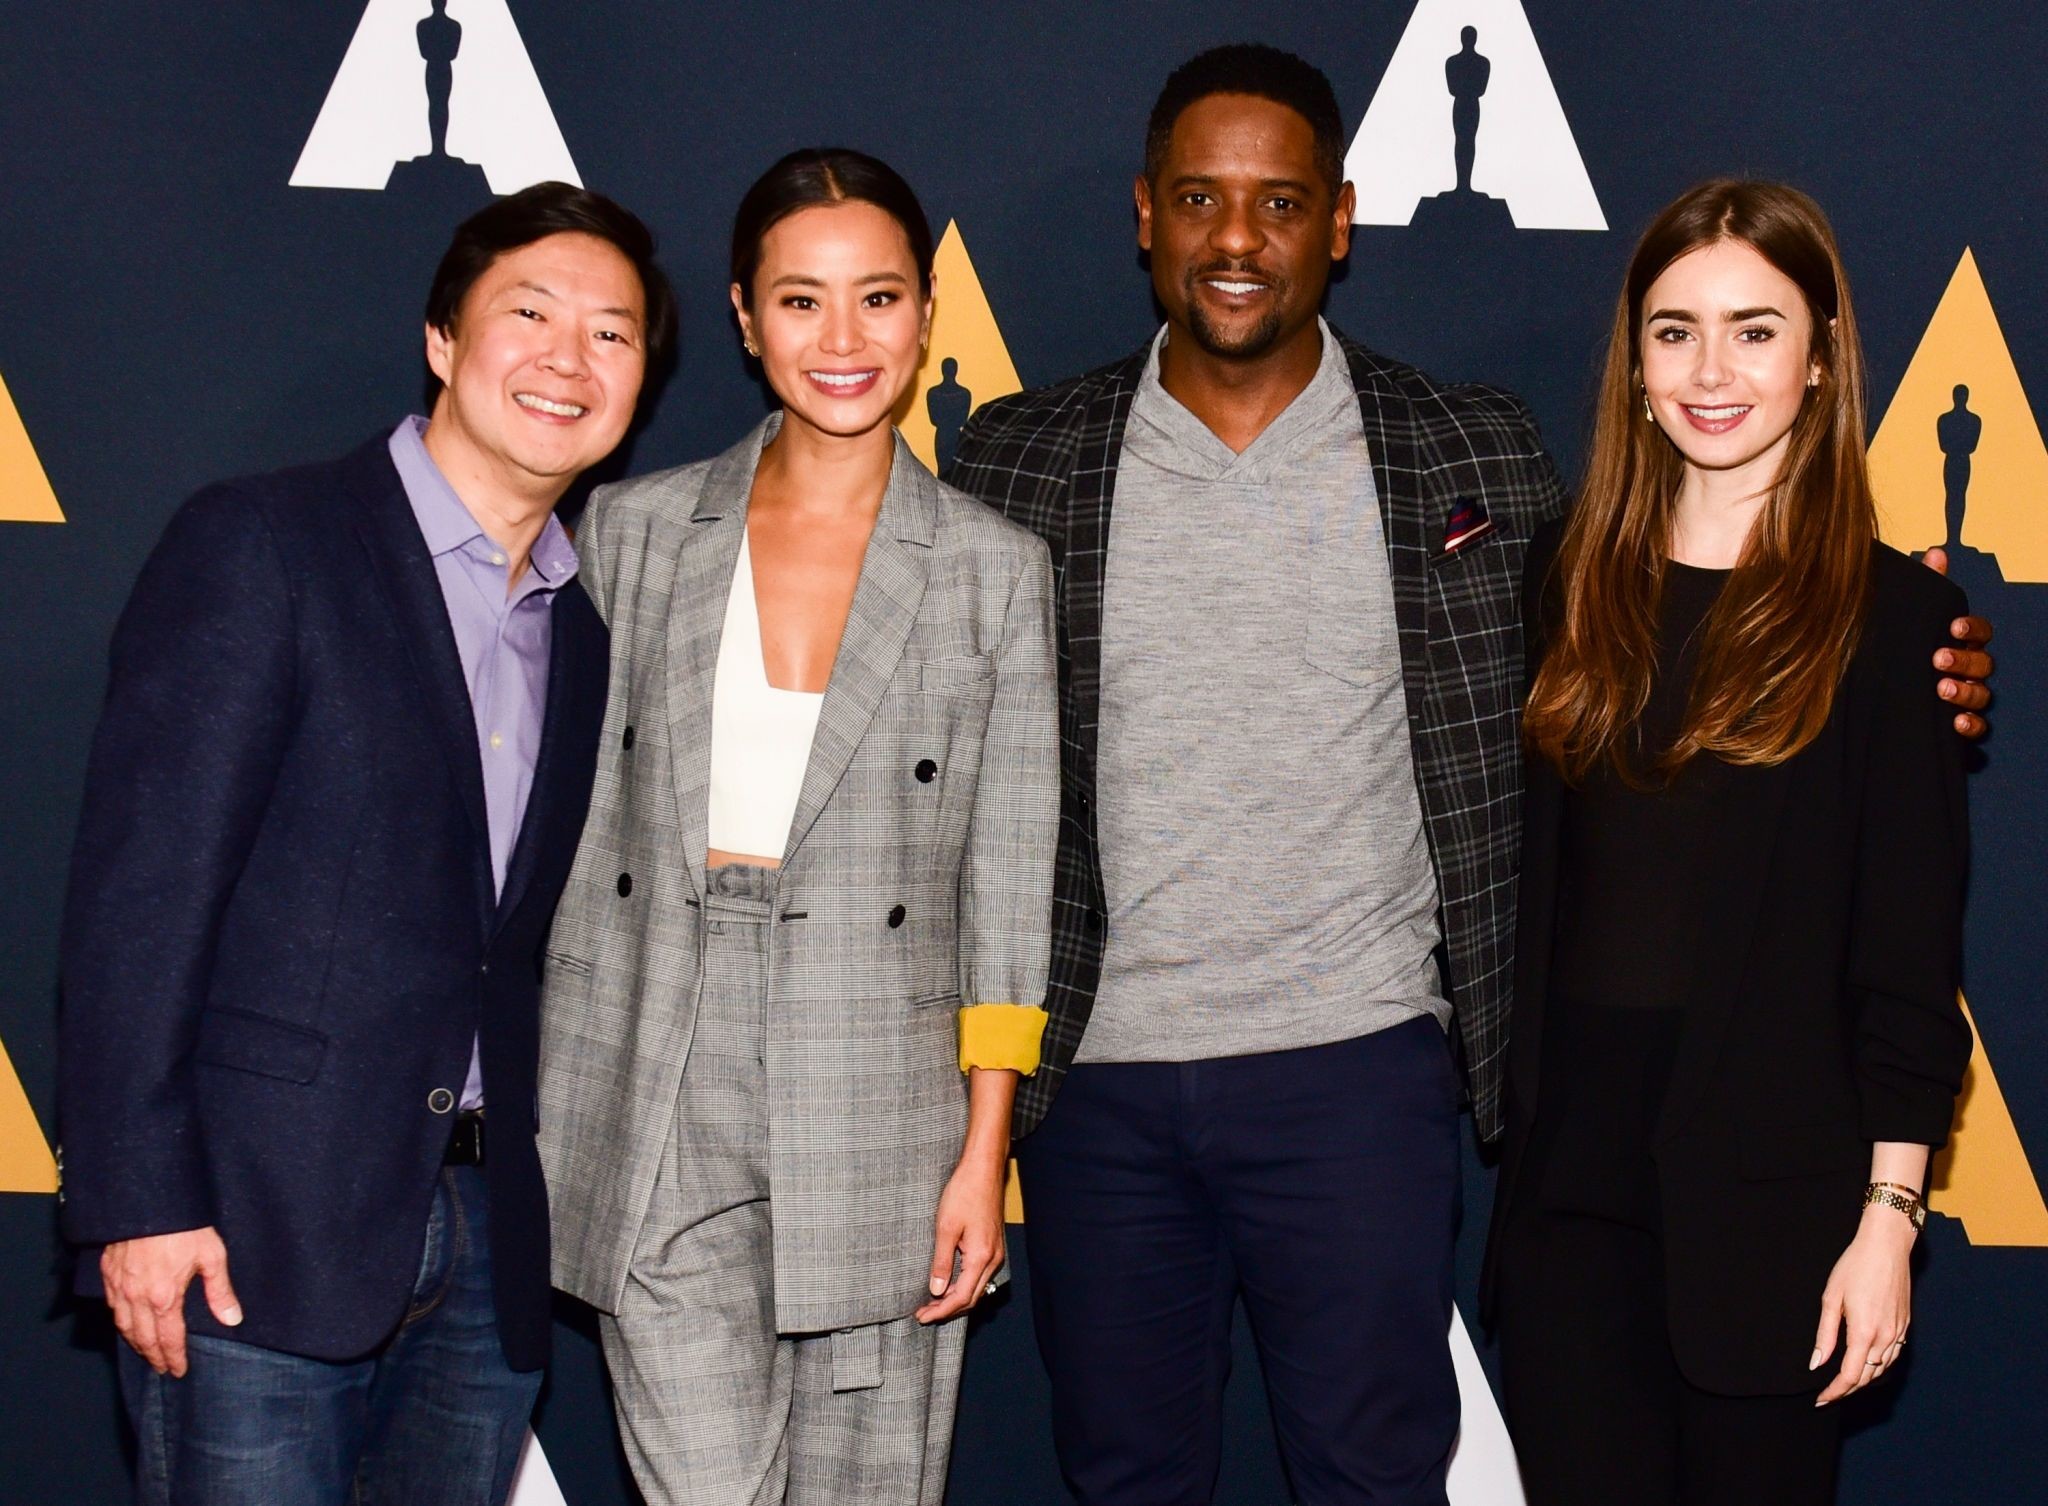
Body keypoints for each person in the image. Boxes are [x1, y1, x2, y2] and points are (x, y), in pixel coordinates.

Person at [946, 45, 1995, 1506]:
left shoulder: (1475, 456)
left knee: (1378, 1477)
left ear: (1340, 220)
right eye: (1198, 198)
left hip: (1366, 1077)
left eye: (1279, 201)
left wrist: (1911, 642)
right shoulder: (1018, 459)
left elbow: (1777, 753)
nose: (1237, 237)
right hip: (1108, 1093)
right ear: (1144, 214)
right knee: (1123, 1475)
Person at [56, 182, 674, 1505]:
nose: (570, 359)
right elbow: (141, 901)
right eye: (531, 314)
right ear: (443, 339)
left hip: (485, 1245)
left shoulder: (578, 630)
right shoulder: (267, 543)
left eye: (613, 334)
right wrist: (140, 1200)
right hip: (251, 1234)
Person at [536, 148, 1058, 1506]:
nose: (843, 339)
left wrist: (984, 1153)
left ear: (925, 315)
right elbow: (557, 827)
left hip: (883, 1090)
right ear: (744, 316)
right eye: (801, 300)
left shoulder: (996, 572)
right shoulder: (633, 532)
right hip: (657, 1063)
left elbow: (1009, 889)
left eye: (877, 298)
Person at [1485, 179, 1971, 1506]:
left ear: (1820, 360)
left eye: (1756, 331)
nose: (1712, 371)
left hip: (1777, 1208)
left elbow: (1910, 959)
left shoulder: (1897, 623)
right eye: (1675, 331)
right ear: (1635, 365)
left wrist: (1889, 1222)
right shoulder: (1564, 578)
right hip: (1568, 1203)